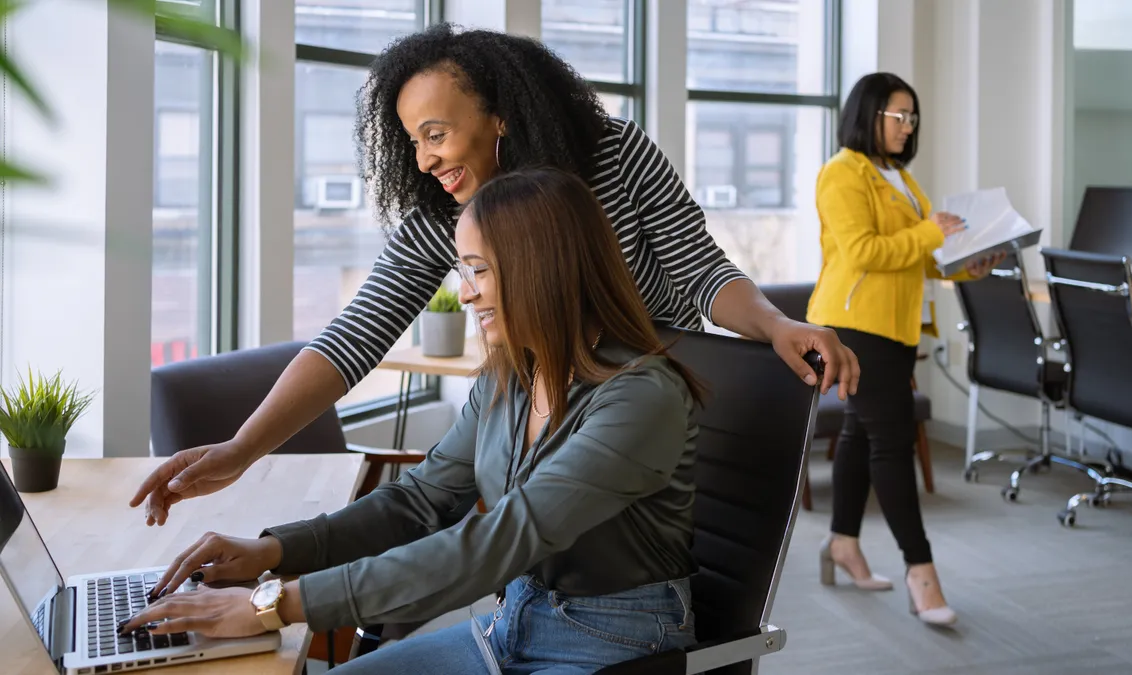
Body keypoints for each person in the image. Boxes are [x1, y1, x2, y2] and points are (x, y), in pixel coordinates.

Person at [130, 22, 859, 527]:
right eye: (412, 141)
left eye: (437, 134)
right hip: (544, 413)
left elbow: (701, 269)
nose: (423, 160)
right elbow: (355, 334)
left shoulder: (617, 154)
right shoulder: (443, 211)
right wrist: (241, 448)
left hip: (648, 401)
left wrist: (776, 323)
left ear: (503, 115)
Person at [121, 168, 706, 674]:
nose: (465, 292)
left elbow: (495, 544)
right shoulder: (509, 379)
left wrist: (270, 604)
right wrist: (273, 552)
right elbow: (418, 503)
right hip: (512, 626)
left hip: (617, 647)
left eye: (478, 271)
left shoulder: (640, 399)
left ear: (541, 269)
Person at [806, 72, 1004, 627]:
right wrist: (933, 234)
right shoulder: (841, 173)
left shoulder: (899, 177)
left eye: (912, 116)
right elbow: (864, 251)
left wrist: (969, 263)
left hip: (897, 331)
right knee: (891, 446)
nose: (907, 125)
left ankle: (843, 544)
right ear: (869, 115)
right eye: (898, 115)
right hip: (851, 326)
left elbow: (916, 256)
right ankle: (923, 574)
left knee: (859, 433)